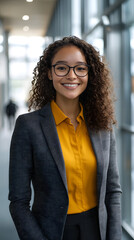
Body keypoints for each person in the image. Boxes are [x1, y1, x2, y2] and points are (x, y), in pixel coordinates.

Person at [8, 36, 122, 240]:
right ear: (49, 73)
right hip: (53, 232)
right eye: (62, 68)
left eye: (80, 68)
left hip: (98, 231)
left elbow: (112, 192)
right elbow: (18, 202)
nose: (72, 76)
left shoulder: (102, 125)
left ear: (89, 74)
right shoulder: (28, 126)